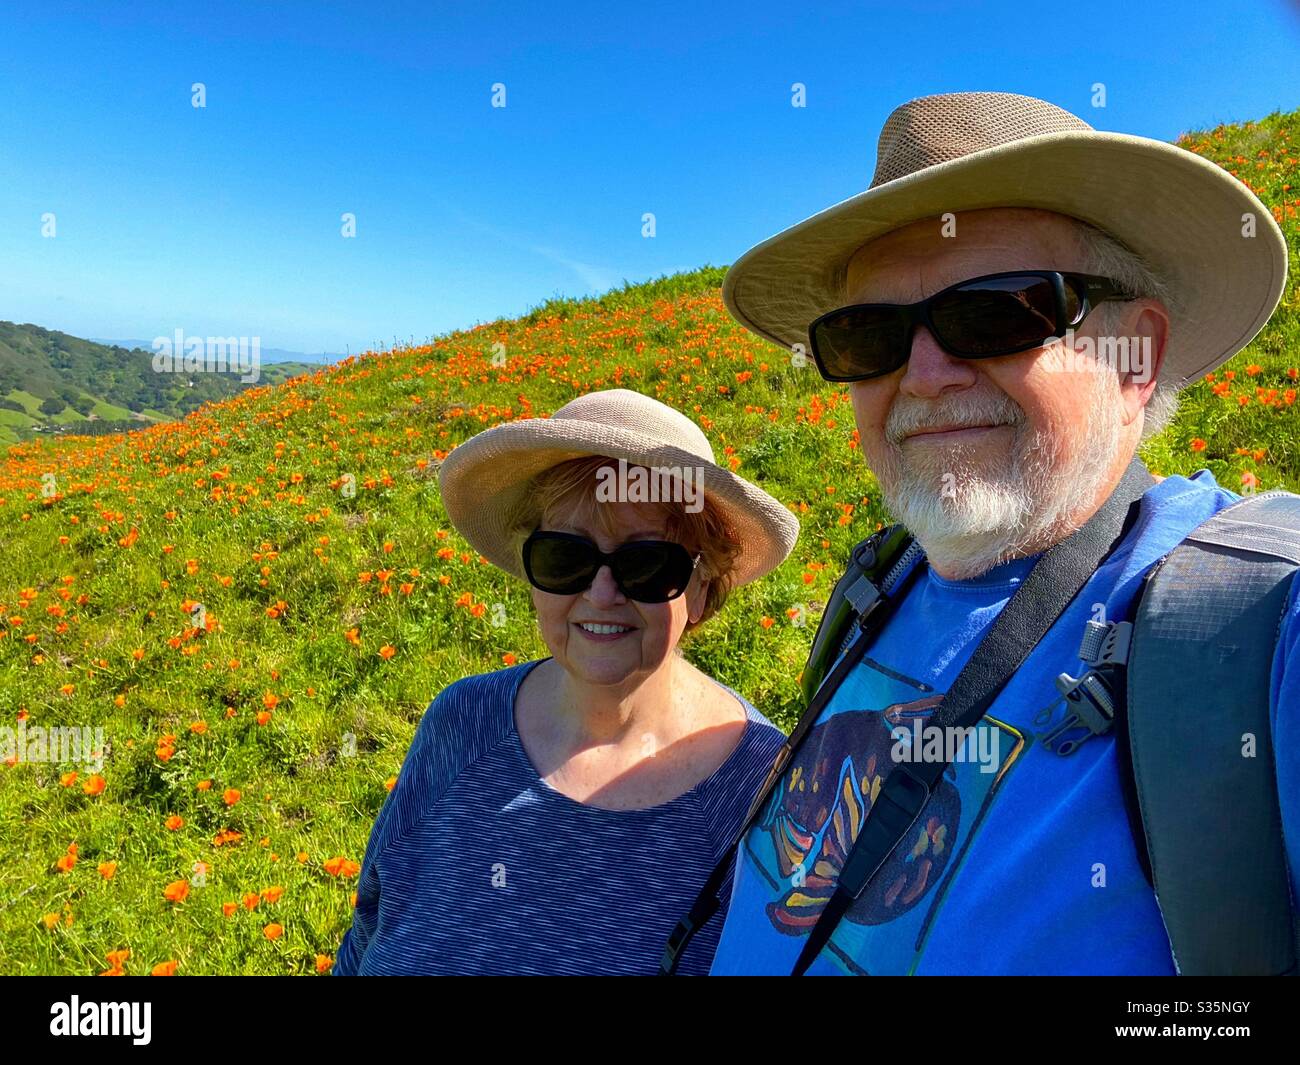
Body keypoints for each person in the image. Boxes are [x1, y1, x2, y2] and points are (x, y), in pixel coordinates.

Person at [696, 90, 1298, 974]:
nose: (928, 374)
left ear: (1140, 354)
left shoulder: (1256, 624)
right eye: (871, 335)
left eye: (997, 311)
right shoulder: (879, 584)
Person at [333, 387, 799, 974]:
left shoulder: (766, 793)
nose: (601, 593)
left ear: (704, 589)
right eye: (564, 557)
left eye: (647, 562)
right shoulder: (460, 721)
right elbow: (370, 926)